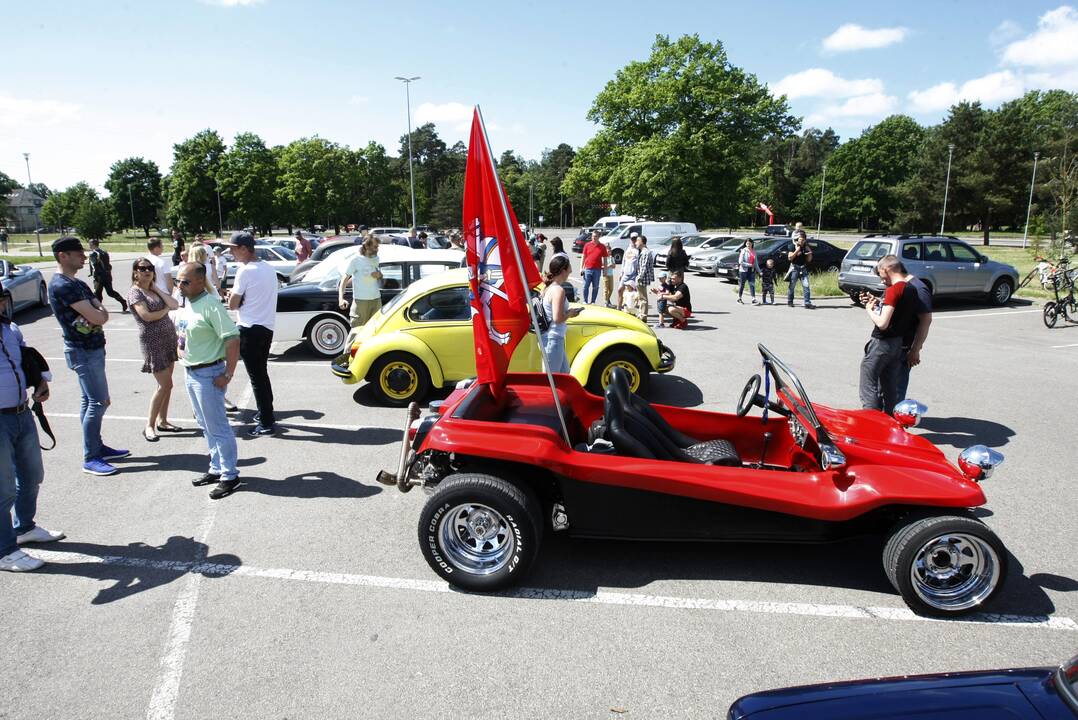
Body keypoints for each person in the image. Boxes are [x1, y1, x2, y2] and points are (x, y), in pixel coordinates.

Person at [47, 237, 129, 476]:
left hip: (92, 348)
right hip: (82, 350)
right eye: (78, 253)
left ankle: (96, 446)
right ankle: (91, 457)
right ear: (63, 256)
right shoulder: (62, 285)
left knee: (89, 401)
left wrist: (98, 311)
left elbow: (99, 309)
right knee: (99, 401)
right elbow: (98, 316)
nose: (84, 257)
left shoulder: (78, 283)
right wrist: (98, 312)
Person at [0, 284, 62, 572]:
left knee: (32, 475)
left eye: (2, 299)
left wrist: (40, 381)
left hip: (21, 412)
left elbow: (25, 359)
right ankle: (5, 550)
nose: (2, 305)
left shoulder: (11, 329)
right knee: (3, 489)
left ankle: (24, 526)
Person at [175, 263, 242, 499]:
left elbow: (232, 339)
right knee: (205, 425)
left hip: (208, 374)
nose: (179, 285)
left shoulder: (210, 305)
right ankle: (216, 468)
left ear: (200, 282)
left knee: (218, 427)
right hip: (191, 372)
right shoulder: (188, 303)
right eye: (178, 281)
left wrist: (228, 375)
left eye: (185, 282)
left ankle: (230, 475)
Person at [227, 231, 278, 436]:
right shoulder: (268, 268)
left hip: (249, 328)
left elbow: (232, 304)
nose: (231, 253)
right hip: (266, 327)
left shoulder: (245, 271)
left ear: (245, 249)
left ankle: (266, 422)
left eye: (233, 249)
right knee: (261, 373)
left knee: (256, 377)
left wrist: (232, 296)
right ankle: (267, 412)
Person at [127, 258, 180, 442]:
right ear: (135, 272)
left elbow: (175, 304)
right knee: (164, 385)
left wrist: (156, 288)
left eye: (150, 268)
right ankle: (149, 426)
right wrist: (165, 310)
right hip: (153, 342)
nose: (147, 271)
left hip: (168, 339)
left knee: (168, 384)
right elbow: (147, 316)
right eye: (142, 269)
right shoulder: (135, 293)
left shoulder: (154, 290)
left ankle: (163, 421)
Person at [858, 255, 918, 414]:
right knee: (889, 384)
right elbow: (900, 312)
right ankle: (891, 419)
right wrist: (878, 301)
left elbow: (883, 323)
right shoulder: (911, 289)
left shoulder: (893, 290)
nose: (880, 277)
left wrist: (869, 309)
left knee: (868, 381)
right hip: (898, 343)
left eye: (880, 272)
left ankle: (870, 418)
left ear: (886, 269)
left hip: (881, 343)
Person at [897, 266, 933, 402]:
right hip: (894, 345)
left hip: (905, 348)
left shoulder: (919, 289)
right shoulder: (902, 286)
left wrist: (915, 350)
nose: (882, 281)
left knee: (897, 388)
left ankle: (895, 419)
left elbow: (926, 320)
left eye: (882, 276)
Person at [540, 256, 582, 373]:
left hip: (552, 339)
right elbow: (557, 318)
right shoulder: (558, 290)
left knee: (564, 376)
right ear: (563, 271)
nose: (570, 271)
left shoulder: (548, 287)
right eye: (569, 267)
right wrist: (570, 313)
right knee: (553, 380)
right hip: (553, 339)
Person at [339, 236, 383, 328]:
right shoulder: (355, 260)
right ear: (367, 247)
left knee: (375, 330)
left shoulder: (376, 258)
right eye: (375, 247)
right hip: (361, 302)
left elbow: (379, 275)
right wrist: (341, 299)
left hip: (376, 300)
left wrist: (379, 275)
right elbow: (345, 278)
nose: (377, 249)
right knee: (357, 332)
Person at [88, 239, 129, 313]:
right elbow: (108, 264)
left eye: (90, 244)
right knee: (110, 292)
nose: (89, 246)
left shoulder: (93, 254)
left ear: (93, 245)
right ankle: (123, 301)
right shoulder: (104, 252)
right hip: (107, 275)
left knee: (97, 293)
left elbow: (94, 266)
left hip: (99, 277)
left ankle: (98, 309)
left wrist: (94, 275)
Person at [786, 230, 815, 308]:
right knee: (792, 286)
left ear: (805, 240)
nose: (801, 241)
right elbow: (790, 258)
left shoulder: (806, 247)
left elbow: (809, 260)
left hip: (803, 268)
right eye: (800, 239)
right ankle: (790, 301)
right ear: (797, 239)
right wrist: (797, 250)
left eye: (803, 240)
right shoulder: (792, 246)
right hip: (795, 268)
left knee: (806, 286)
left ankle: (807, 303)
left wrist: (809, 253)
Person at [580, 229, 608, 304]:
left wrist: (605, 270)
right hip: (587, 269)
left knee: (595, 287)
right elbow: (583, 256)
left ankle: (593, 301)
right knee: (585, 286)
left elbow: (605, 259)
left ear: (599, 237)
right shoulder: (587, 245)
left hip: (597, 270)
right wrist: (581, 268)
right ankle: (585, 301)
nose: (593, 238)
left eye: (595, 236)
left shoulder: (602, 247)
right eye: (592, 236)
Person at [634, 235, 655, 322]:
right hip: (641, 278)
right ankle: (641, 314)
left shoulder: (645, 252)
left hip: (642, 279)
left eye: (637, 241)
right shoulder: (643, 251)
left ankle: (643, 316)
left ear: (642, 242)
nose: (635, 243)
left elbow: (644, 267)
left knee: (643, 298)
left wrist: (639, 278)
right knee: (641, 297)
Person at [616, 232, 640, 310]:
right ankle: (619, 308)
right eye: (632, 238)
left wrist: (639, 274)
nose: (634, 240)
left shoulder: (639, 250)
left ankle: (635, 309)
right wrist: (621, 273)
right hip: (625, 274)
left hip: (634, 274)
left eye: (635, 238)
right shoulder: (628, 248)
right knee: (620, 290)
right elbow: (624, 261)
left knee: (635, 293)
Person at [736, 238, 761, 305]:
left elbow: (756, 263)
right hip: (743, 271)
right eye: (747, 243)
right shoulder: (743, 251)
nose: (748, 245)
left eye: (750, 243)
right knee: (742, 285)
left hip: (751, 271)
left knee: (752, 285)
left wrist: (759, 271)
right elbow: (740, 262)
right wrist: (750, 265)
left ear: (752, 244)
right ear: (745, 244)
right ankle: (739, 298)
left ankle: (753, 299)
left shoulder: (754, 251)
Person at [601, 239, 616, 308]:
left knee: (611, 289)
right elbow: (601, 266)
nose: (609, 252)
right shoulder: (603, 258)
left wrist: (612, 265)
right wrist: (606, 266)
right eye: (608, 250)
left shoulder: (611, 257)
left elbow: (614, 266)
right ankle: (606, 302)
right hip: (605, 274)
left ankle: (607, 300)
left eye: (610, 251)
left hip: (611, 275)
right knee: (606, 289)